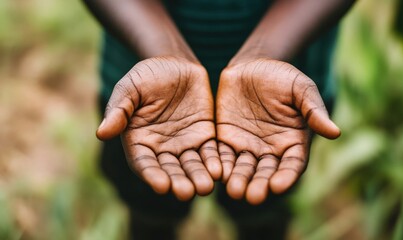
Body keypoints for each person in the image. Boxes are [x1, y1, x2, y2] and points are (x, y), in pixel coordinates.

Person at [82, 0, 354, 239]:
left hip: (277, 103)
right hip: (152, 102)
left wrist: (264, 51)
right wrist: (164, 50)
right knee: (150, 210)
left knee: (262, 212)